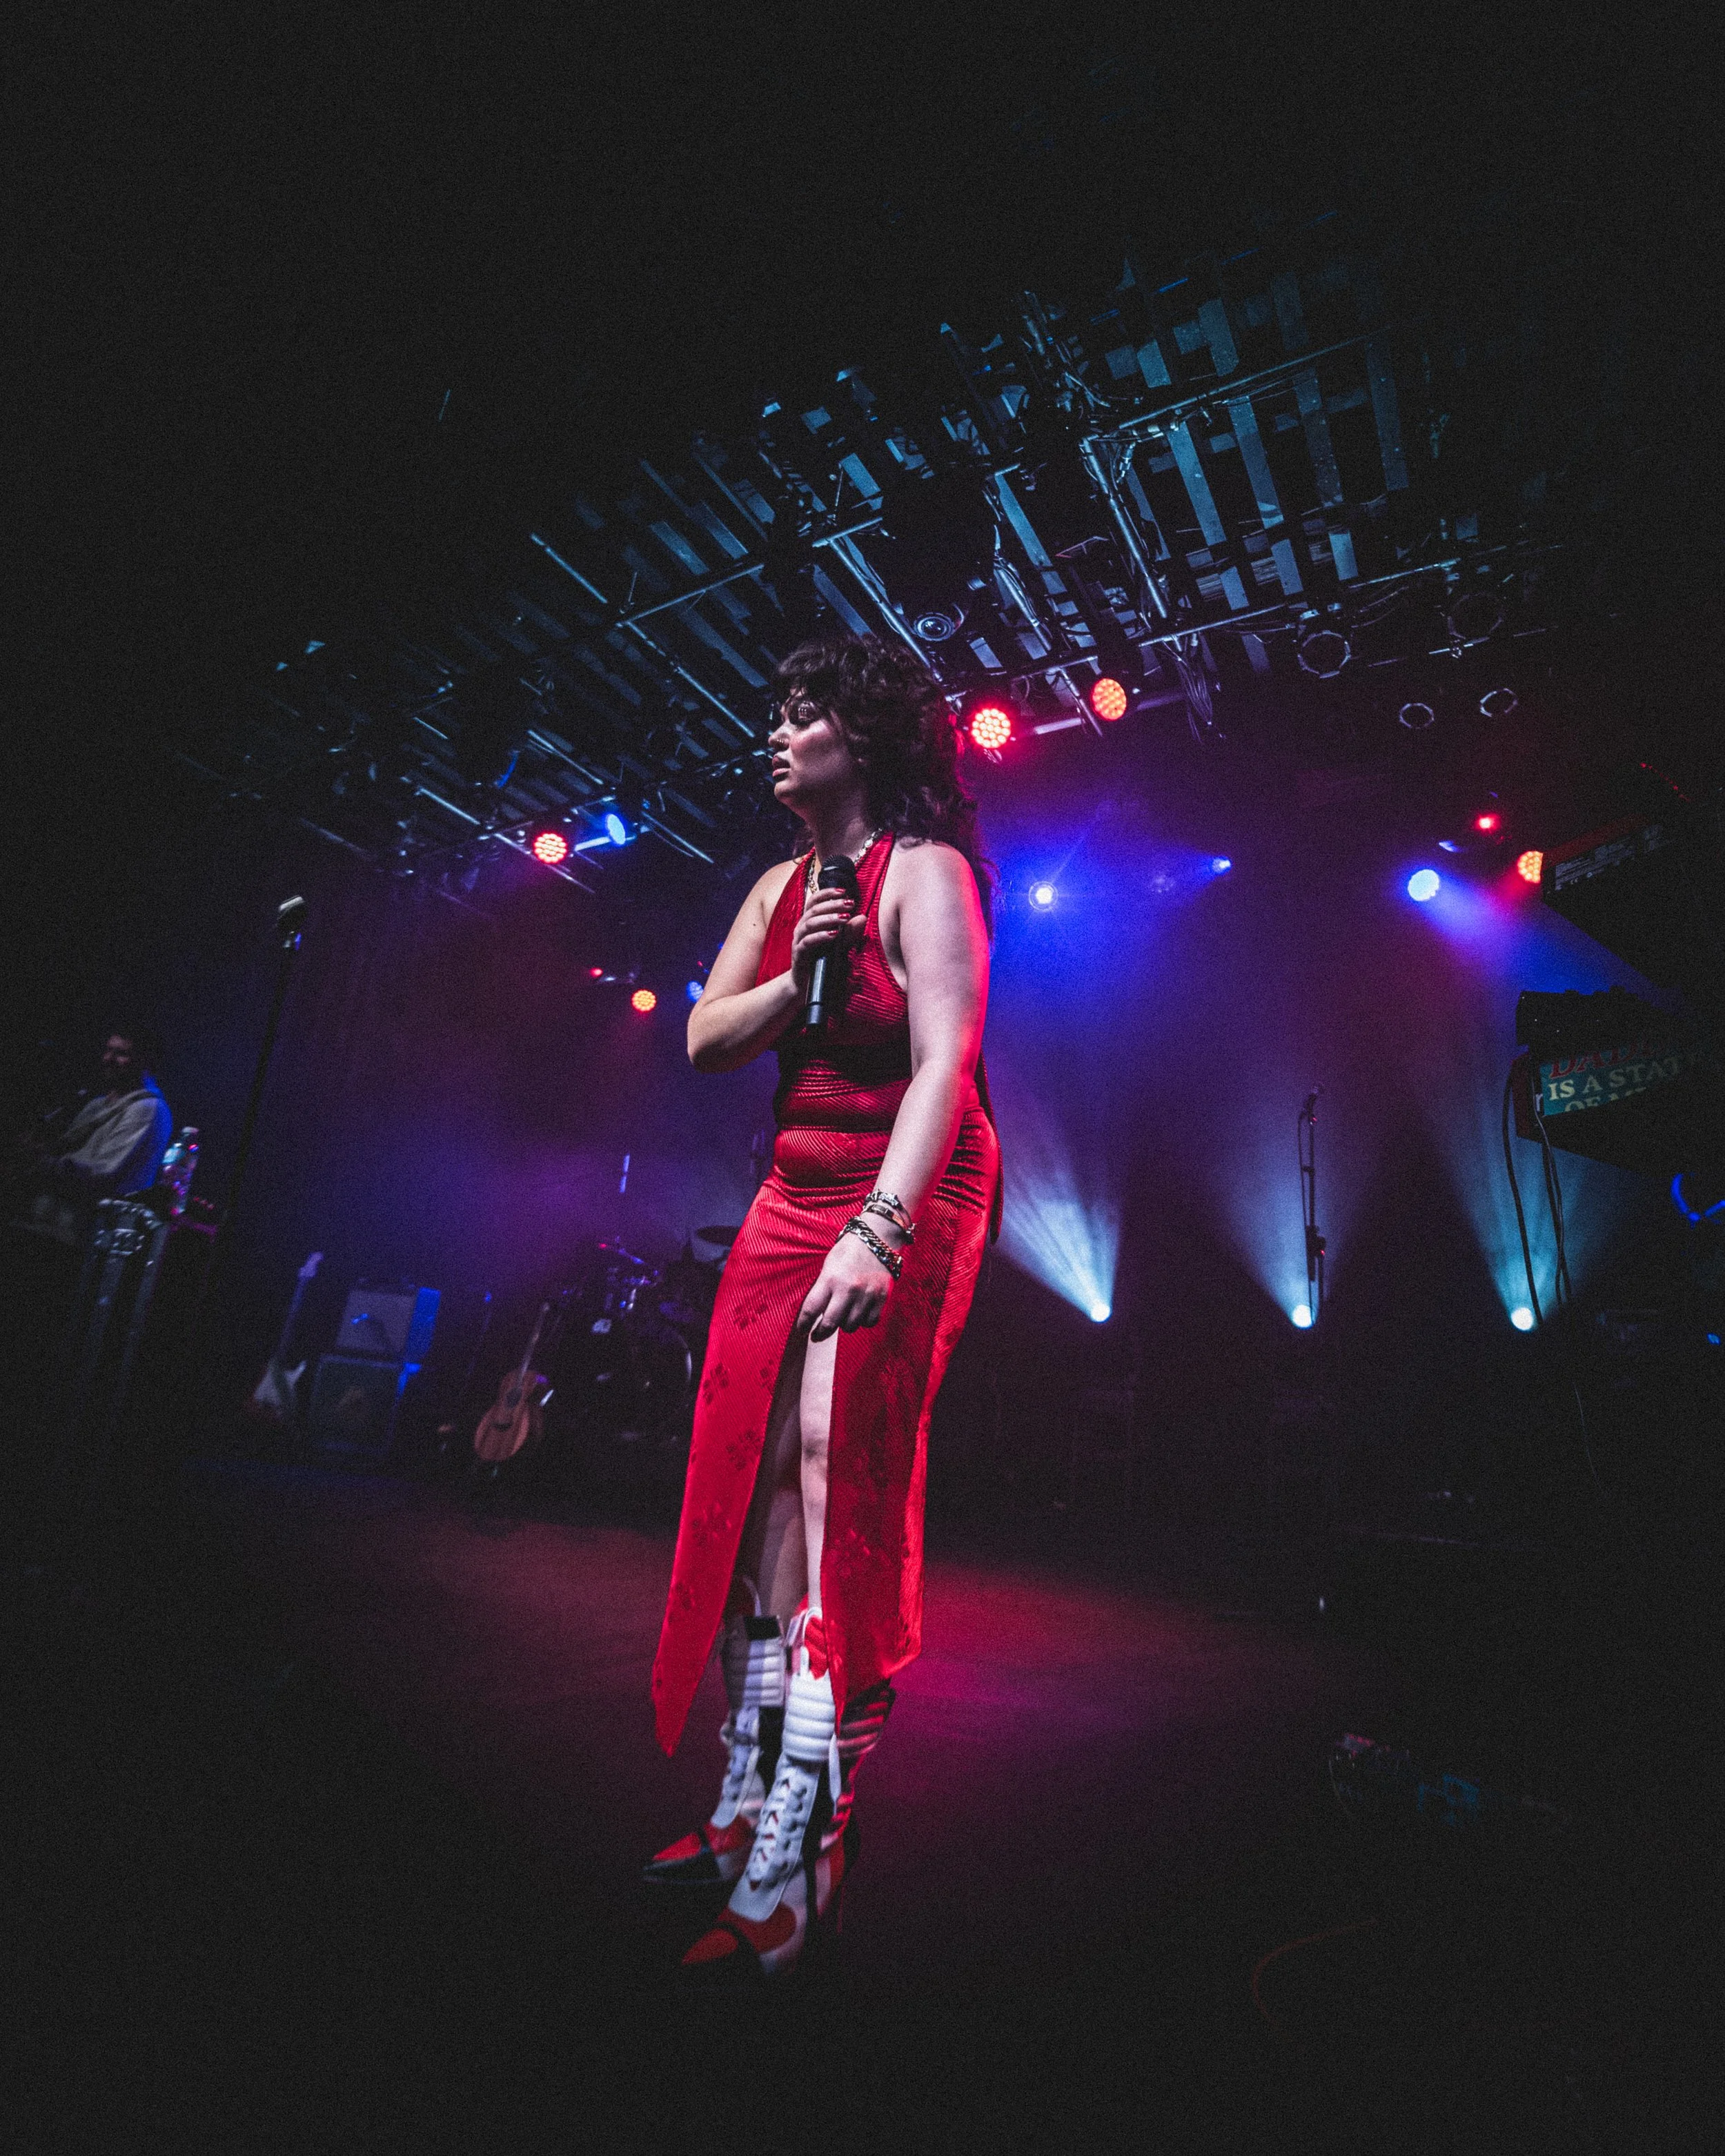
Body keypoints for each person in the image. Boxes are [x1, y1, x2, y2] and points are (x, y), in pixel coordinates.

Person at [645, 633, 1000, 1975]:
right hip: (789, 1185)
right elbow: (698, 1038)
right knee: (751, 1489)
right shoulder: (777, 886)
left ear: (861, 737)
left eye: (801, 716)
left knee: (824, 1466)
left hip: (909, 1180)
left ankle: (809, 1829)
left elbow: (943, 1069)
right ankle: (743, 1800)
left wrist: (883, 1228)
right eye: (775, 714)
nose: (774, 734)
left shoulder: (930, 873)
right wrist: (800, 955)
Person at [15, 1028, 173, 1248]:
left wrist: (40, 1161)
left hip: (82, 1236)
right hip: (48, 1223)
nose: (109, 1059)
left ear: (145, 1062)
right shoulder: (97, 1103)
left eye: (121, 1054)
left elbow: (102, 1175)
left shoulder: (147, 1109)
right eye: (108, 1050)